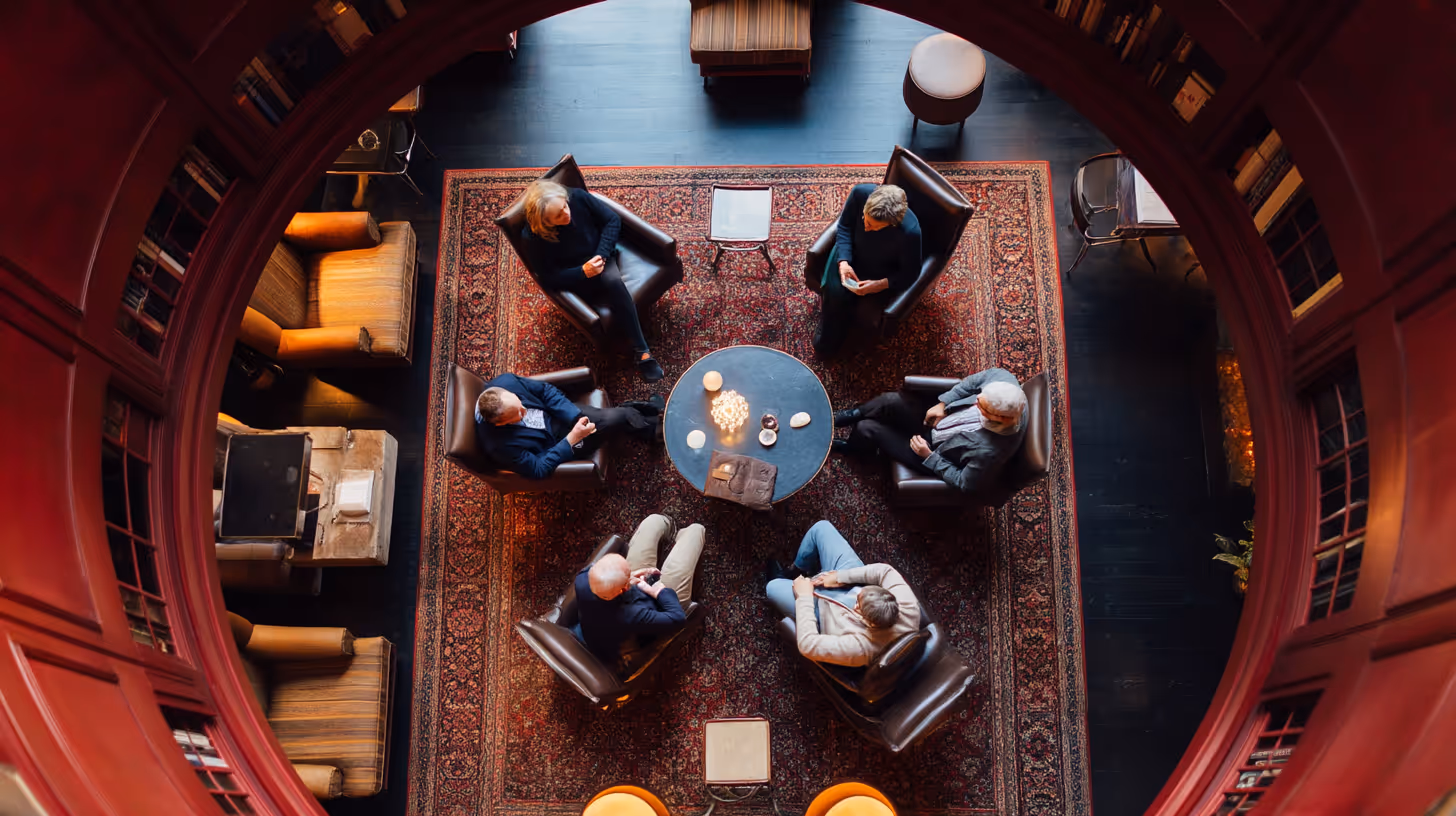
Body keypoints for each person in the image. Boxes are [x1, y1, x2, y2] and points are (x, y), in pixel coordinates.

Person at [520, 179, 665, 382]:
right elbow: (547, 278)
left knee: (613, 282)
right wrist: (583, 272)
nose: (566, 215)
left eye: (564, 206)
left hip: (601, 256)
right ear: (545, 222)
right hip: (577, 275)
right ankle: (642, 352)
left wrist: (601, 255)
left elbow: (612, 220)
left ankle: (642, 352)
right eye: (558, 216)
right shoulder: (533, 238)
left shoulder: (576, 197)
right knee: (612, 285)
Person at [833, 367, 1028, 494]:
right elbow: (973, 382)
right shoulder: (1003, 380)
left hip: (932, 450)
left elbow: (965, 483)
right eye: (980, 397)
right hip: (938, 420)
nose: (976, 400)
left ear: (1000, 418)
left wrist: (929, 457)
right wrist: (943, 404)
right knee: (889, 401)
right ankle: (850, 414)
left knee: (867, 428)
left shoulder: (990, 453)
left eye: (982, 407)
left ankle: (855, 449)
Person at [765, 520, 921, 667]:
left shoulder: (860, 648)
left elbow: (808, 645)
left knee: (772, 587)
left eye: (858, 604)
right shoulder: (908, 606)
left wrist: (804, 597)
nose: (855, 601)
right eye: (861, 596)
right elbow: (885, 571)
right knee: (821, 528)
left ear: (869, 623)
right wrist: (840, 577)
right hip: (853, 583)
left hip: (827, 615)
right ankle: (796, 569)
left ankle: (784, 579)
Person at [575, 514, 707, 668]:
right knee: (696, 531)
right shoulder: (631, 615)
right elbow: (677, 618)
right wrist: (659, 592)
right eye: (628, 571)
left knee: (653, 521)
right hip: (658, 604)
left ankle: (669, 527)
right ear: (624, 587)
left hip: (628, 593)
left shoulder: (583, 579)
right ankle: (684, 533)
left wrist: (628, 577)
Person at [474, 372, 662, 479]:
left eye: (520, 405)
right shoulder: (498, 446)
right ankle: (654, 425)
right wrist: (573, 438)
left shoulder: (506, 382)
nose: (524, 412)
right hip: (558, 443)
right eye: (517, 416)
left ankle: (648, 422)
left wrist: (575, 418)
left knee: (617, 417)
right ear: (500, 423)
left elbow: (545, 390)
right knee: (618, 417)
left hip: (561, 415)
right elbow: (537, 469)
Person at [813, 183, 922, 357]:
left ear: (891, 224)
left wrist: (880, 285)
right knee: (834, 292)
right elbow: (845, 227)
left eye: (873, 226)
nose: (865, 227)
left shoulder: (911, 233)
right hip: (849, 253)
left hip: (879, 271)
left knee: (861, 311)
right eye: (865, 219)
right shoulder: (859, 193)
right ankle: (828, 338)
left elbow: (911, 273)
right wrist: (844, 262)